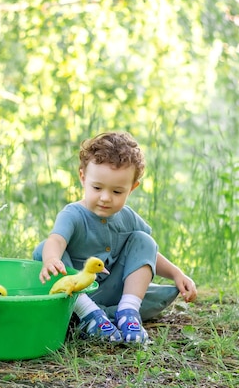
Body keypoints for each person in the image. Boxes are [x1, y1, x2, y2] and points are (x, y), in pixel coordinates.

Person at [34, 131, 197, 344]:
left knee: (144, 239)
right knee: (45, 248)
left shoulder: (128, 218)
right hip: (76, 295)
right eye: (97, 187)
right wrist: (51, 259)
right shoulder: (73, 214)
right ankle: (88, 315)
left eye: (117, 192)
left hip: (115, 290)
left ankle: (128, 312)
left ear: (132, 188)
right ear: (83, 177)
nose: (105, 198)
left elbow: (146, 254)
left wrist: (176, 274)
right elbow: (57, 240)